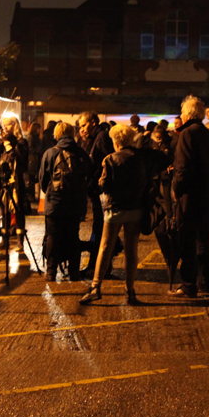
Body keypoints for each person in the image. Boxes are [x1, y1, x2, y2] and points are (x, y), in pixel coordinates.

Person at [80, 125, 170, 305]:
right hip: (136, 209)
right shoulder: (142, 157)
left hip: (115, 209)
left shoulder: (110, 159)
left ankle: (96, 287)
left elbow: (104, 185)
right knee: (131, 249)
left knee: (105, 247)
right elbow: (164, 159)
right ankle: (130, 291)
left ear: (116, 141)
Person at [169, 95, 209, 298]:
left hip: (190, 197)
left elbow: (183, 168)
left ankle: (188, 284)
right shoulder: (207, 134)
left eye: (182, 112)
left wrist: (176, 188)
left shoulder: (187, 134)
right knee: (203, 241)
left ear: (189, 114)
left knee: (188, 241)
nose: (180, 115)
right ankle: (205, 281)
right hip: (206, 195)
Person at [38, 122, 92, 281]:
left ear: (57, 134)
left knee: (53, 237)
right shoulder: (81, 153)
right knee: (73, 236)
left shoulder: (50, 153)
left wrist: (50, 193)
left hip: (55, 202)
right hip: (76, 203)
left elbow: (43, 180)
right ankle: (74, 272)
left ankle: (51, 272)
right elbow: (90, 174)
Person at [78, 111, 115, 273]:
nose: (82, 129)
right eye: (80, 127)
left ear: (93, 122)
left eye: (84, 125)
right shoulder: (94, 138)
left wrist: (99, 181)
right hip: (96, 190)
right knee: (99, 227)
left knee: (101, 227)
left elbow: (107, 161)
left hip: (100, 190)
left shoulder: (101, 138)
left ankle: (99, 266)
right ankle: (99, 264)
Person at [0, 114, 31, 245]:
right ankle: (4, 240)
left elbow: (16, 158)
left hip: (16, 180)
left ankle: (19, 242)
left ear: (15, 125)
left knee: (18, 210)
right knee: (4, 210)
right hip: (3, 179)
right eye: (4, 125)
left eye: (8, 124)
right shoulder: (2, 142)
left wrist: (7, 143)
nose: (5, 127)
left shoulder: (21, 142)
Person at [26, 120, 42, 202]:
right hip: (32, 161)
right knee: (31, 180)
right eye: (38, 128)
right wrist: (39, 151)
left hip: (35, 161)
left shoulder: (36, 138)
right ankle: (30, 196)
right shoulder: (31, 138)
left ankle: (33, 196)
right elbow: (30, 149)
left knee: (34, 179)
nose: (39, 130)